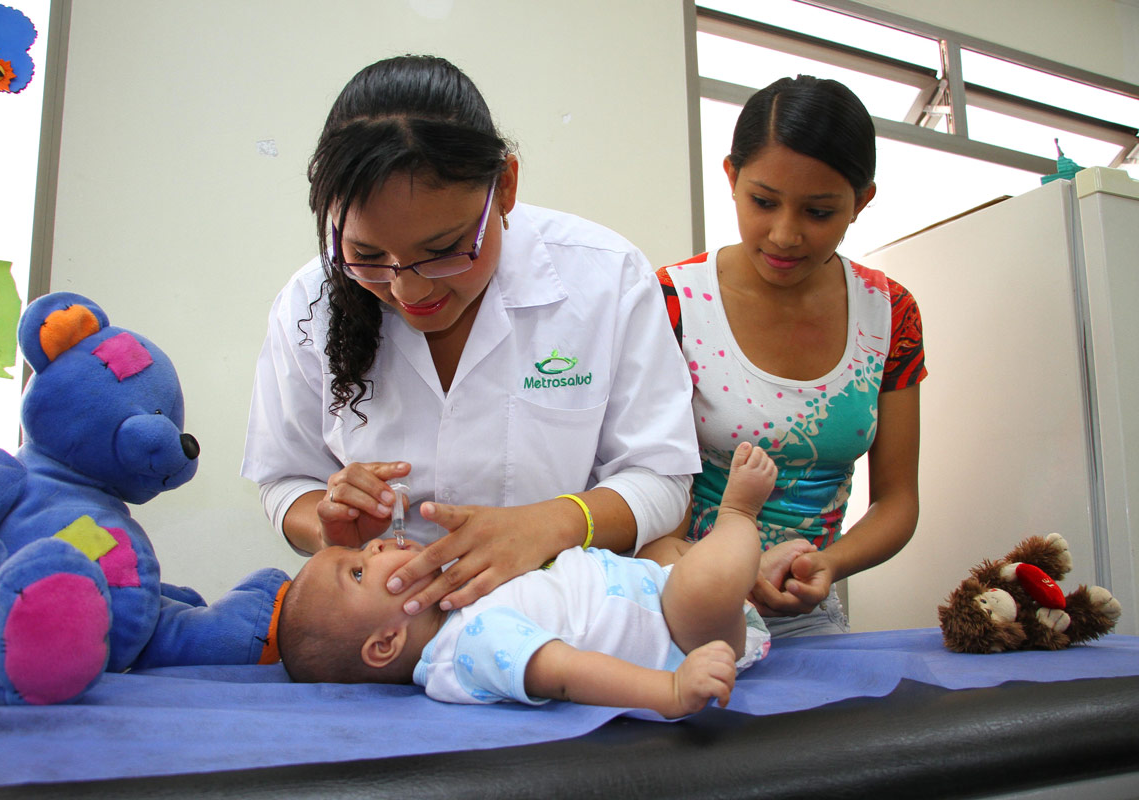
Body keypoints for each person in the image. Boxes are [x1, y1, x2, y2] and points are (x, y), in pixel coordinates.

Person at [241, 55, 699, 618]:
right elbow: (284, 477)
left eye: (443, 250)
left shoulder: (607, 277)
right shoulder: (308, 303)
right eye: (367, 255)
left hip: (567, 629)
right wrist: (326, 522)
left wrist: (548, 526)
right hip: (395, 641)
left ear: (503, 187)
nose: (409, 289)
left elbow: (663, 477)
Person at [653, 75, 926, 637]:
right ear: (730, 177)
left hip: (806, 613)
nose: (784, 235)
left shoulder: (890, 313)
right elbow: (647, 494)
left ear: (861, 202)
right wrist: (719, 577)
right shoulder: (674, 304)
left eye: (818, 212)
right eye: (763, 201)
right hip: (679, 604)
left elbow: (898, 500)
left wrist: (829, 563)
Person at [277, 443, 775, 718]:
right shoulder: (472, 645)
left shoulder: (455, 598)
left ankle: (751, 575)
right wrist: (668, 691)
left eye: (362, 547)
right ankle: (738, 515)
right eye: (359, 570)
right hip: (684, 635)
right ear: (386, 643)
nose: (378, 544)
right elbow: (567, 672)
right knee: (704, 585)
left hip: (651, 583)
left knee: (665, 551)